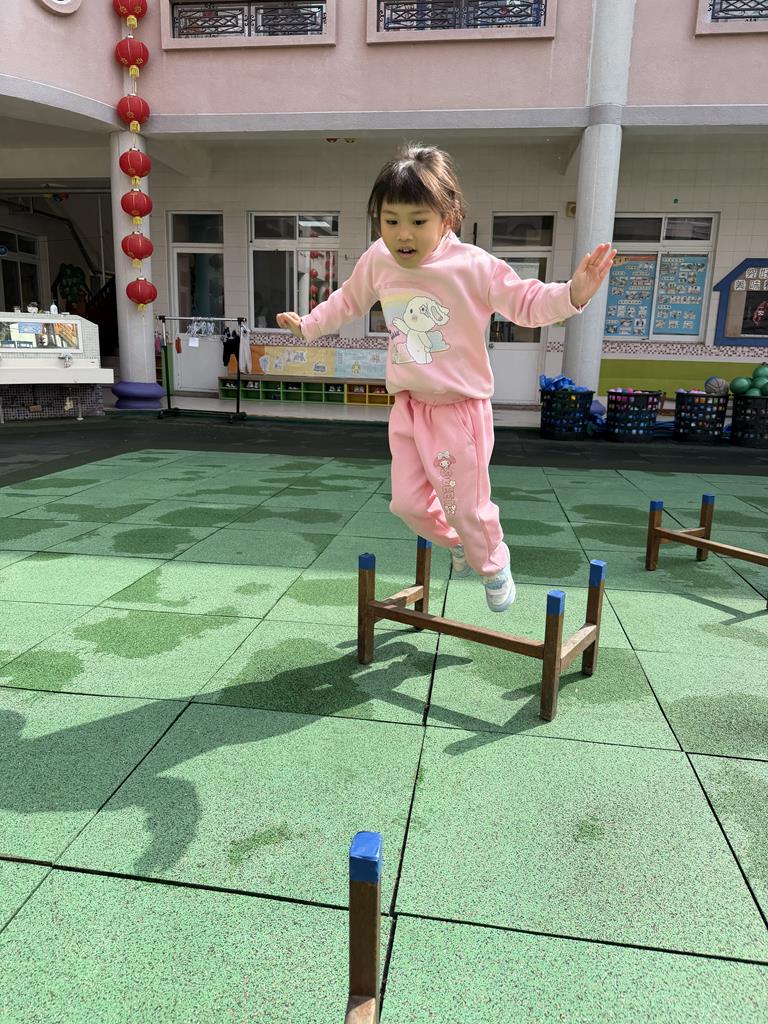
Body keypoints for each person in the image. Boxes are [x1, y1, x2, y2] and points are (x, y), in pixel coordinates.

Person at [277, 144, 615, 612]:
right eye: (390, 220)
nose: (403, 234)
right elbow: (348, 299)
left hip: (459, 410)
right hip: (409, 407)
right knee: (407, 504)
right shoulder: (378, 259)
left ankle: (494, 564)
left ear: (447, 217)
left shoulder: (472, 266)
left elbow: (526, 302)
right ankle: (456, 542)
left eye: (418, 221)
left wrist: (573, 293)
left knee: (466, 506)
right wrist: (310, 325)